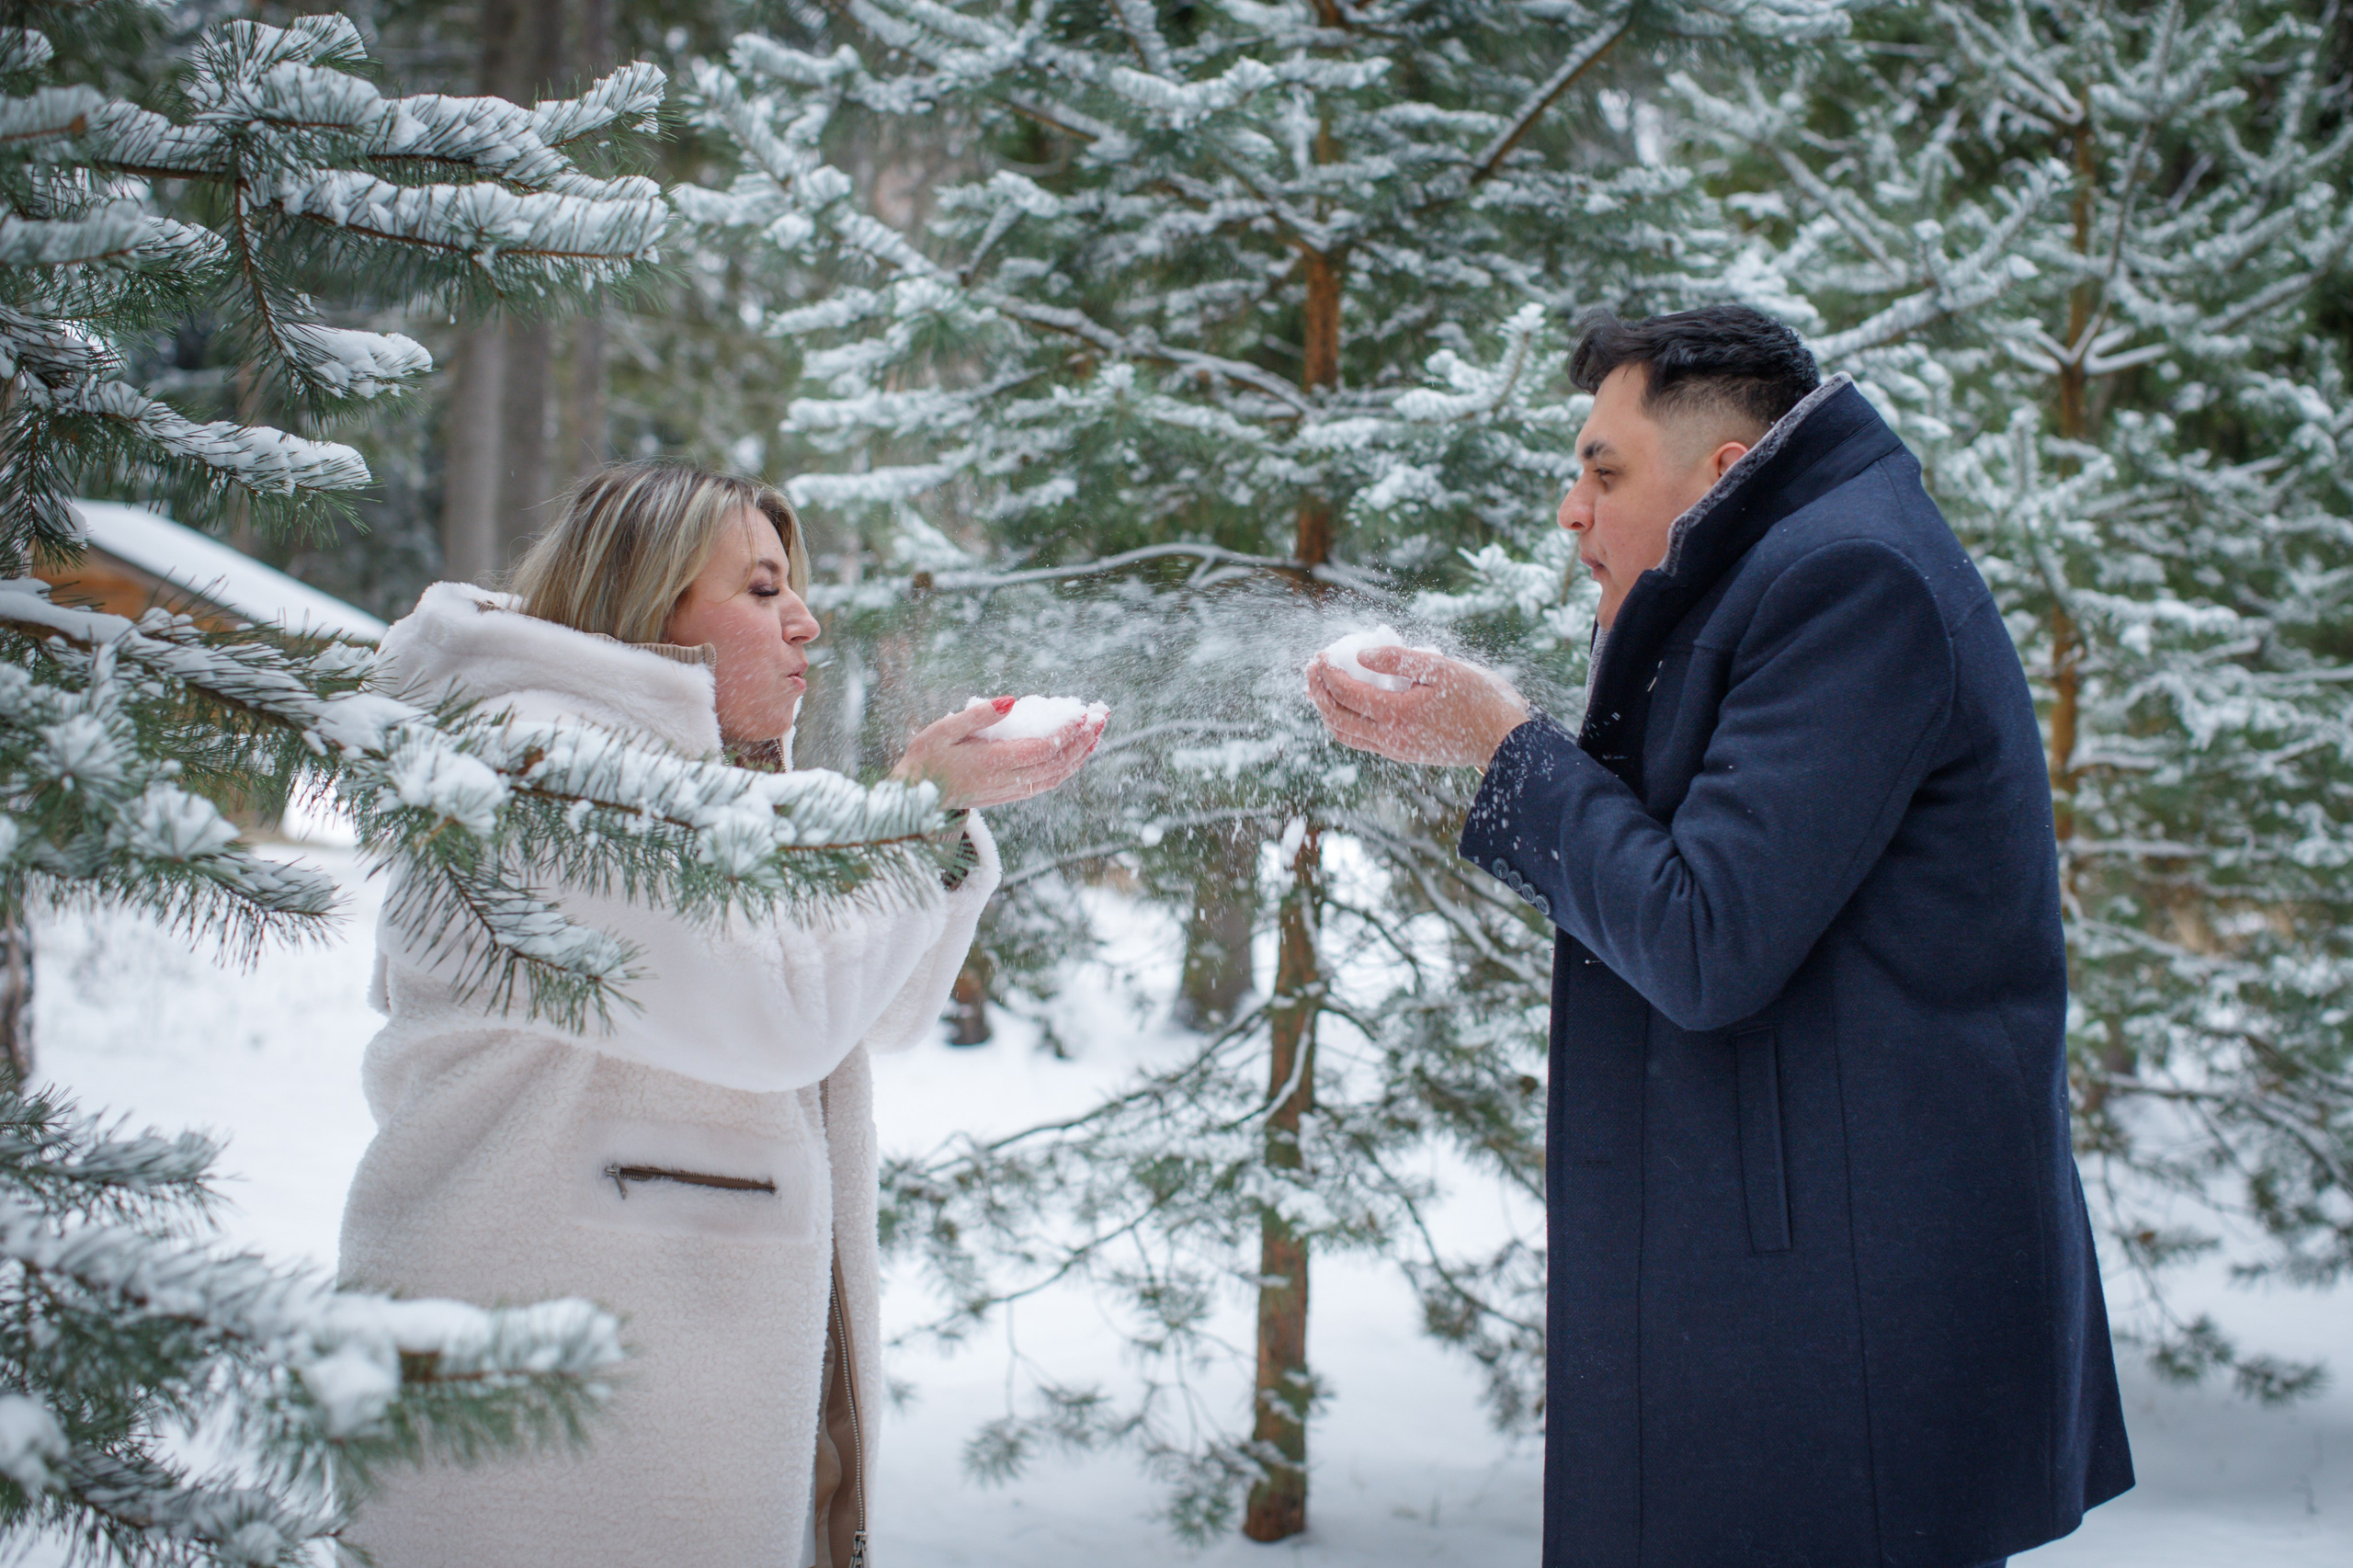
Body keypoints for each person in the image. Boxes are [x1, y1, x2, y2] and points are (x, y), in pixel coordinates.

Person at [1306, 307, 2132, 1568]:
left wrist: (1501, 743)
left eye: (1603, 472)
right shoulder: (1788, 567)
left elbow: (1704, 935)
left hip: (1848, 1325)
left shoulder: (1852, 583)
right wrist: (1488, 743)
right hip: (1794, 1284)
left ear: (1723, 470)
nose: (1572, 513)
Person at [338, 461, 1101, 1568]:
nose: (805, 621)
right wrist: (909, 811)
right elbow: (780, 1016)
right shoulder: (531, 780)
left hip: (659, 1388)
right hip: (526, 1414)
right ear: (648, 604)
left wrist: (923, 820)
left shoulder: (688, 795)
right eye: (761, 588)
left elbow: (874, 1013)